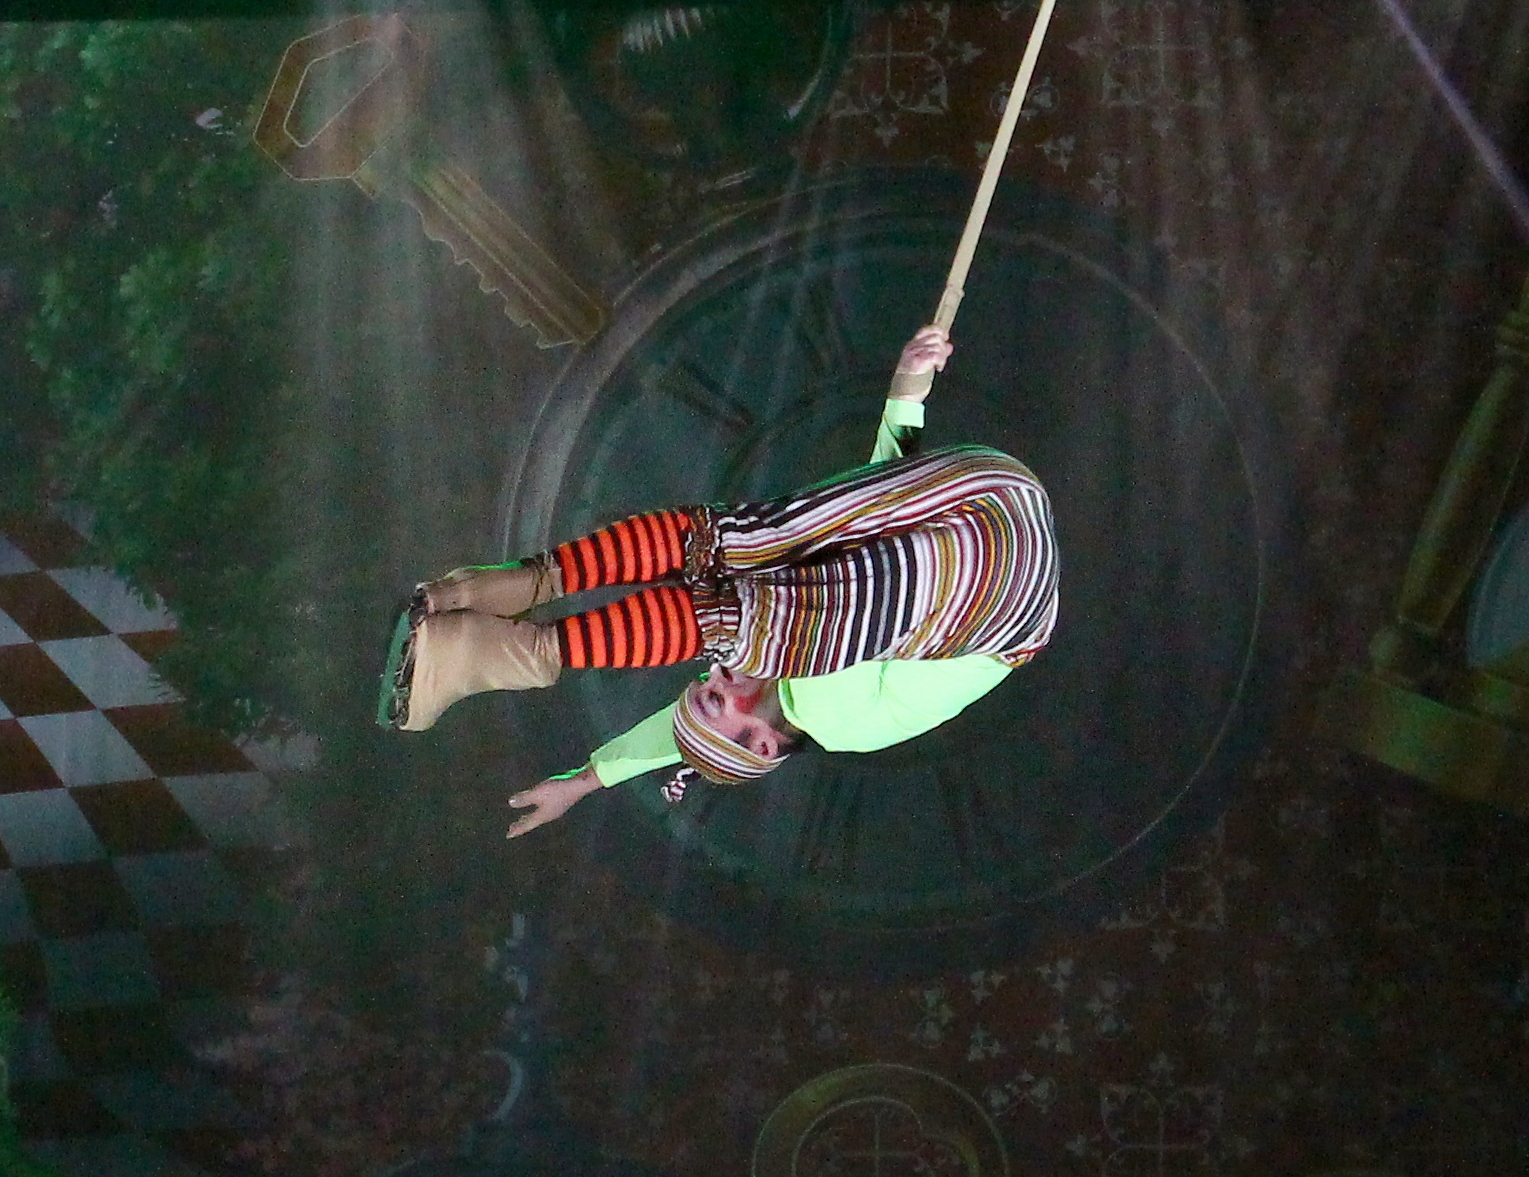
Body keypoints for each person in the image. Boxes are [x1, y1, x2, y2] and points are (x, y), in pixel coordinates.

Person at [371, 325, 1061, 833]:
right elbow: (688, 724)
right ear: (764, 743)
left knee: (739, 543)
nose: (714, 677)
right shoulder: (840, 719)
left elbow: (872, 506)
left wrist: (907, 391)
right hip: (1004, 596)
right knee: (753, 617)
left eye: (702, 686)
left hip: (982, 490)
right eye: (714, 698)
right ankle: (511, 648)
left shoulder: (825, 622)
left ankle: (498, 590)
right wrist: (599, 775)